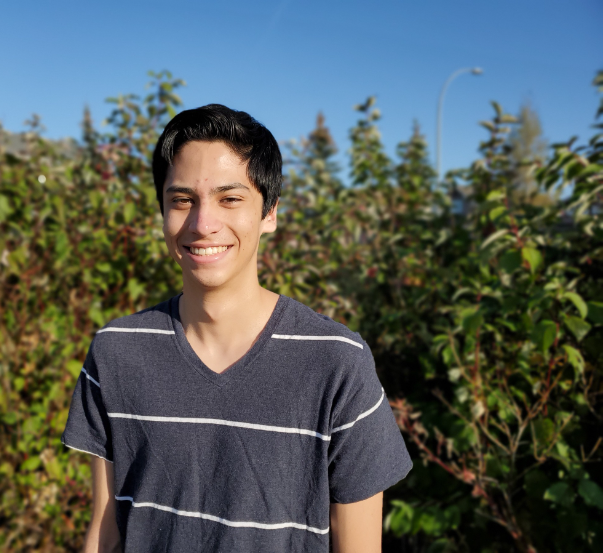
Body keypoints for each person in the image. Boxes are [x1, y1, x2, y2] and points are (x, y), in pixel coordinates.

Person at [61, 104, 413, 553]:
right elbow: (105, 530)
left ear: (270, 213)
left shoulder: (337, 363)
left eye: (229, 199)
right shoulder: (116, 353)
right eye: (182, 200)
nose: (203, 224)